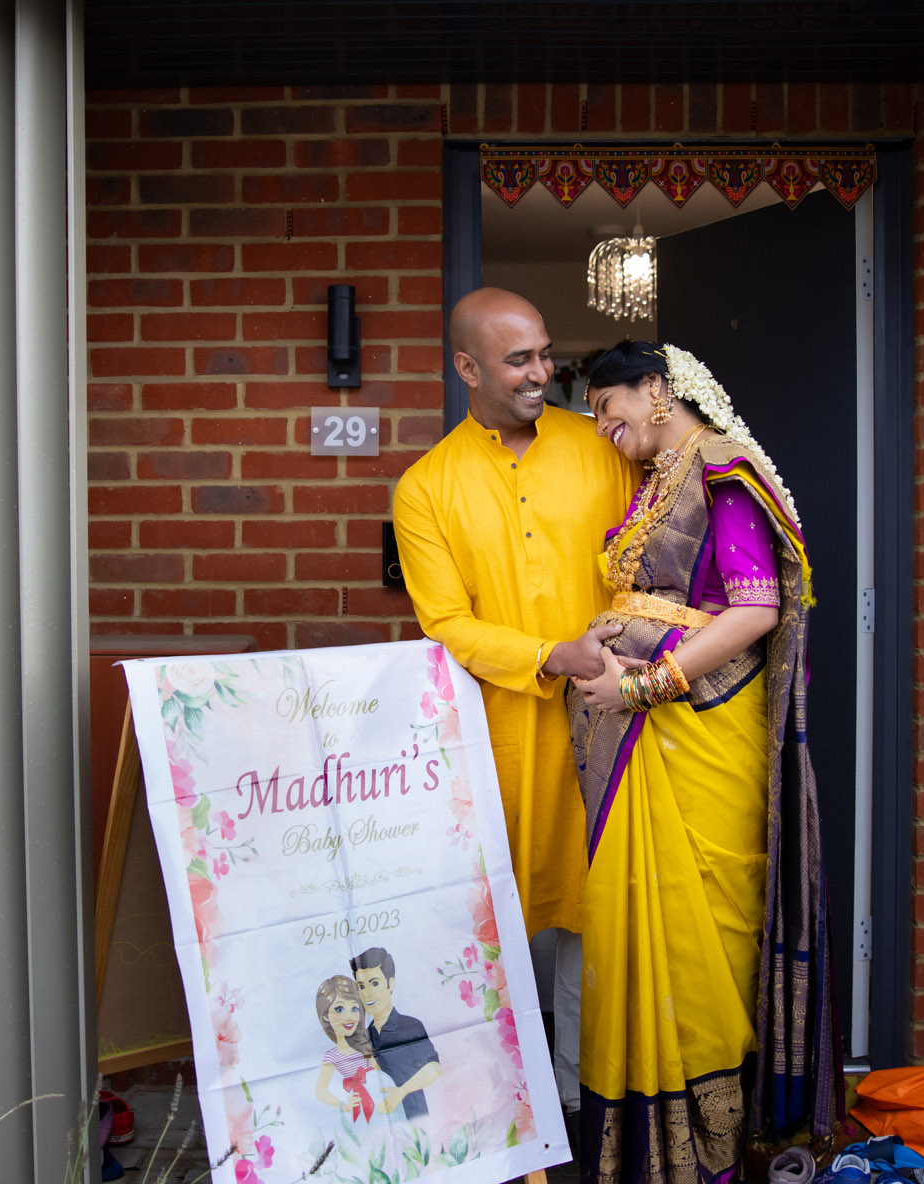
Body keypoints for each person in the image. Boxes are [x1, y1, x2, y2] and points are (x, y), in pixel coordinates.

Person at [564, 340, 837, 1183]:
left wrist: (643, 685)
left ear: (656, 387)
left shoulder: (722, 469)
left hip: (700, 736)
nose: (602, 427)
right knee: (646, 925)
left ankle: (710, 1155)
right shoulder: (658, 479)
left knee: (705, 935)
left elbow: (754, 611)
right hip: (644, 741)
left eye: (607, 407)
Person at [391, 288, 639, 1117]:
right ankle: (512, 1113)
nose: (541, 372)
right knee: (507, 921)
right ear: (467, 368)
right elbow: (447, 624)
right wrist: (549, 656)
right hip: (503, 738)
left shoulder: (600, 445)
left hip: (621, 720)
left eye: (543, 353)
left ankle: (588, 1105)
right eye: (518, 359)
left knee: (603, 918)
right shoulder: (426, 488)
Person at [350, 947, 440, 1120]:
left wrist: (402, 1091)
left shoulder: (410, 1026)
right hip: (381, 1121)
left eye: (374, 983)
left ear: (390, 984)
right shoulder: (365, 1036)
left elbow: (435, 1068)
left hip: (415, 1118)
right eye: (361, 986)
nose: (367, 994)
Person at [312, 975, 385, 1122]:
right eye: (339, 1009)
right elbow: (320, 1091)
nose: (349, 1017)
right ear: (325, 1016)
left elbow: (380, 1073)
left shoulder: (365, 1044)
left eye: (354, 1008)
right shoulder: (332, 1056)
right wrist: (344, 1104)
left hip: (382, 1100)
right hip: (360, 1107)